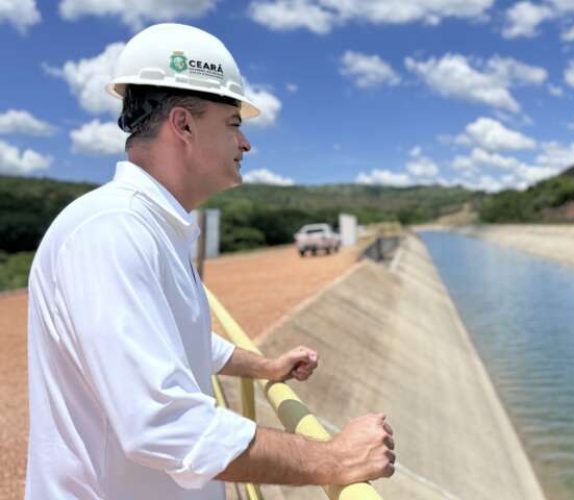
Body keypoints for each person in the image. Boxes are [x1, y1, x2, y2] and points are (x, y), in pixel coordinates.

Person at [25, 23, 395, 500]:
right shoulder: (110, 232)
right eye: (234, 123)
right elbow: (162, 425)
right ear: (183, 124)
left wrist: (264, 368)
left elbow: (181, 339)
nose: (246, 144)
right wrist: (334, 459)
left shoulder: (152, 229)